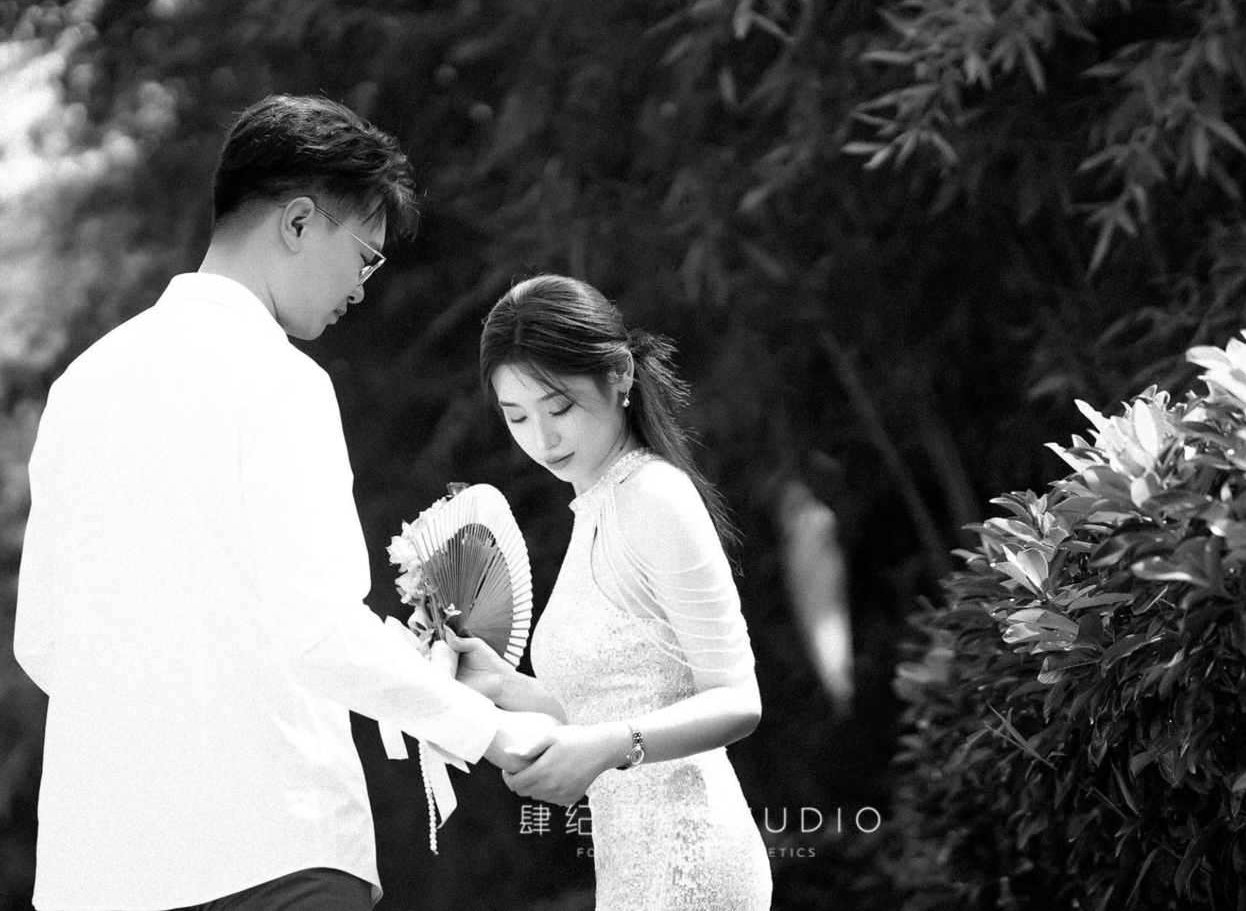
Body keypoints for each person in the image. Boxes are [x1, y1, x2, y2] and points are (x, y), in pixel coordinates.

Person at [13, 94, 556, 911]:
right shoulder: (280, 381)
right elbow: (318, 630)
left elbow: (42, 642)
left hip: (95, 872)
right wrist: (495, 730)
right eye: (365, 258)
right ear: (299, 222)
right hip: (274, 855)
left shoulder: (78, 389)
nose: (362, 290)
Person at [452, 274, 772, 910]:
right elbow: (613, 702)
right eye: (517, 416)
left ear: (620, 373)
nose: (542, 439)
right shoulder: (597, 506)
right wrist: (502, 686)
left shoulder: (653, 496)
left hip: (692, 860)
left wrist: (609, 747)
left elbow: (739, 700)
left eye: (559, 408)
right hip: (634, 866)